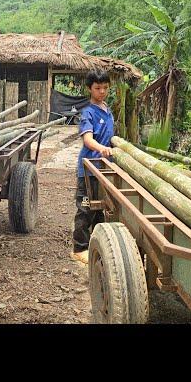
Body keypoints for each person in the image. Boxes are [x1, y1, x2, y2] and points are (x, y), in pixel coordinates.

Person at [70, 69, 114, 264]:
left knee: (99, 209)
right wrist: (102, 148)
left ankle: (96, 245)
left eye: (105, 88)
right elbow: (88, 140)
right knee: (85, 207)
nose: (102, 92)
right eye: (97, 88)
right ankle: (79, 248)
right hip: (89, 169)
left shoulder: (107, 108)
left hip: (103, 169)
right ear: (89, 89)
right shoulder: (88, 113)